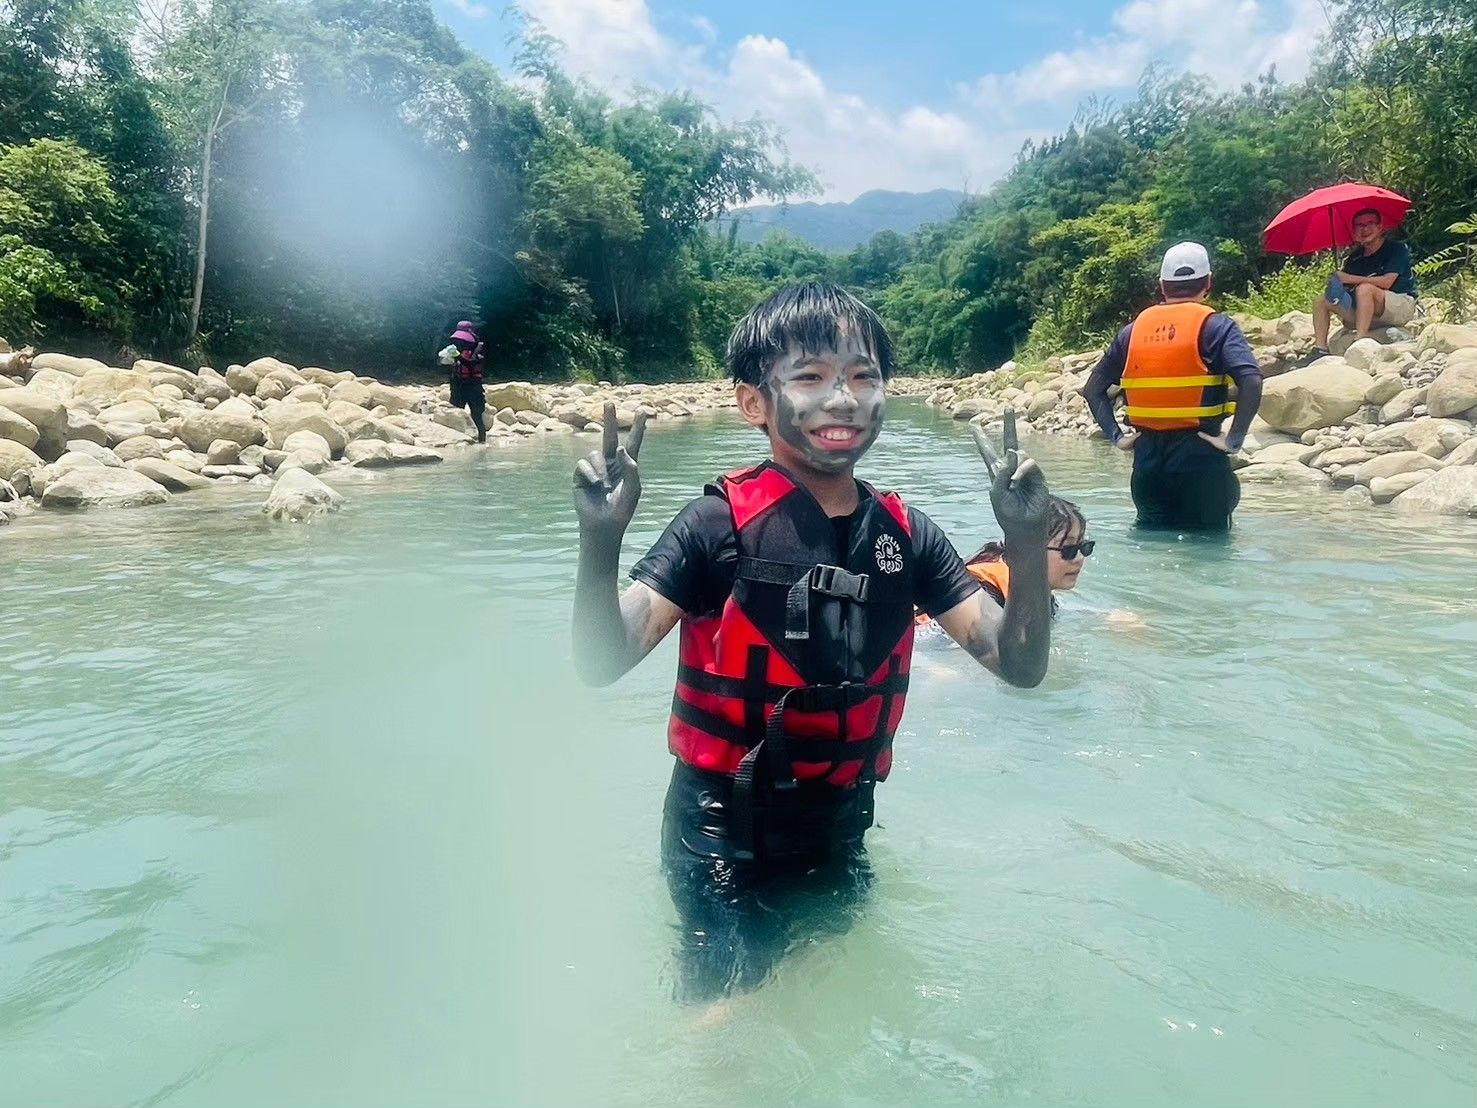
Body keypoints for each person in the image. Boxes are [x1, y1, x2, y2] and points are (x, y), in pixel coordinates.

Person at [570, 282, 1055, 1004]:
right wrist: (600, 540)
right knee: (726, 1013)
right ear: (753, 403)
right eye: (810, 377)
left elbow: (1019, 665)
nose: (842, 399)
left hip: (840, 826)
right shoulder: (714, 526)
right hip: (720, 829)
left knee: (833, 1001)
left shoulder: (906, 535)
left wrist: (1025, 541)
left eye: (862, 376)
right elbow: (600, 662)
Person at [1083, 242, 1263, 533]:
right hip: (1202, 464)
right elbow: (1251, 380)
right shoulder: (1217, 327)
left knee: (1152, 545)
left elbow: (1093, 389)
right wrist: (1234, 440)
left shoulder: (1131, 332)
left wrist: (1117, 437)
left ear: (1162, 285)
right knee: (1208, 549)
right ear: (1208, 283)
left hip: (1147, 470)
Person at [915, 496, 1090, 627]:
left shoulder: (1037, 592)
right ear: (1027, 550)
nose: (1079, 558)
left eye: (1084, 547)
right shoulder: (984, 593)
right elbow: (949, 647)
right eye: (1069, 550)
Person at [1301, 208, 1418, 364]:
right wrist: (1336, 283)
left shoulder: (1396, 249)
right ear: (1354, 231)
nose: (1365, 229)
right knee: (1322, 300)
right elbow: (1346, 289)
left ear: (1380, 227)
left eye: (1370, 223)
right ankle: (1320, 349)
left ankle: (1360, 341)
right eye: (1360, 225)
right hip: (1365, 310)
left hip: (1398, 305)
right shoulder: (1355, 258)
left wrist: (1349, 278)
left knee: (1365, 289)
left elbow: (1387, 282)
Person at [442, 321, 487, 443]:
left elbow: (471, 363)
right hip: (457, 385)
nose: (460, 342)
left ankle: (482, 444)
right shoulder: (456, 347)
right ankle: (457, 441)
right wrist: (446, 359)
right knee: (456, 413)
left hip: (473, 386)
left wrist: (457, 356)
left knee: (477, 416)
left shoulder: (479, 348)